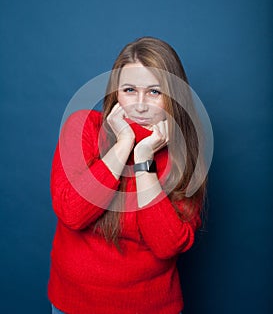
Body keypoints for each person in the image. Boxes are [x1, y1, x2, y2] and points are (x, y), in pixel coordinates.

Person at [48, 36, 208, 314]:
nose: (141, 105)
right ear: (115, 93)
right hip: (72, 305)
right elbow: (72, 212)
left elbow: (167, 244)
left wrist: (144, 158)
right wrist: (123, 145)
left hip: (150, 307)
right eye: (130, 90)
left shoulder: (184, 153)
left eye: (155, 92)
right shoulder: (83, 126)